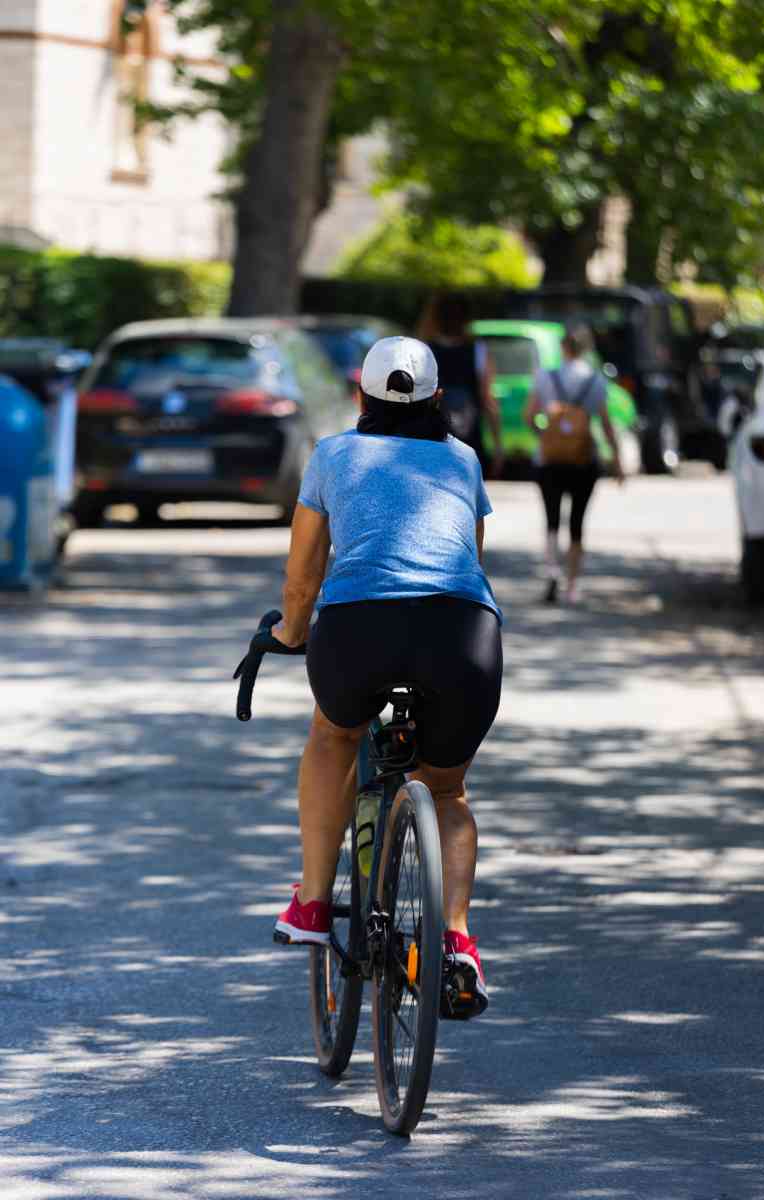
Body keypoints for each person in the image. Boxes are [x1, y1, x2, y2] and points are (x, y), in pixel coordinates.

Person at [269, 336, 503, 1018]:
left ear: (360, 395)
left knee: (334, 737)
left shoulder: (333, 455)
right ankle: (456, 940)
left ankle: (313, 903)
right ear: (438, 399)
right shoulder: (462, 460)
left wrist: (289, 632)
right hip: (460, 634)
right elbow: (471, 563)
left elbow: (304, 575)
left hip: (358, 630)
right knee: (449, 791)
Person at [526, 326, 624, 604]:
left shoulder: (546, 377)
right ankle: (572, 585)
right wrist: (616, 459)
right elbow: (605, 424)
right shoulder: (596, 380)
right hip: (584, 458)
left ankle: (551, 572)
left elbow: (529, 414)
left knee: (552, 520)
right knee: (578, 522)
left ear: (563, 348)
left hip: (549, 461)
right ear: (587, 349)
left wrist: (547, 436)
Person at [419, 291, 504, 477]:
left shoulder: (423, 351)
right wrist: (498, 445)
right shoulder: (478, 351)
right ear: (466, 319)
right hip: (470, 442)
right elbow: (489, 401)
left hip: (432, 443)